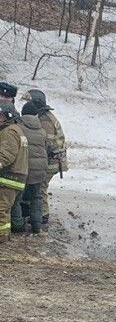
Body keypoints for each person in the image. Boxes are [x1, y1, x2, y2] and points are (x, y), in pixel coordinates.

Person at [22, 88, 67, 226]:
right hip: (52, 160)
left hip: (51, 161)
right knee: (40, 187)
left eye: (29, 102)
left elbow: (44, 145)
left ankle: (42, 215)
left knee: (40, 188)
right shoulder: (44, 116)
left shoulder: (44, 120)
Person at [12, 102, 49, 234]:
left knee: (16, 199)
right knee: (36, 197)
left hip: (24, 169)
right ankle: (36, 226)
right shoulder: (42, 130)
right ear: (36, 114)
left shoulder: (17, 128)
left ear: (22, 113)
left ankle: (17, 226)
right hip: (39, 171)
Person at [0, 102, 28, 242]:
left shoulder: (10, 132)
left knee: (1, 209)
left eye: (0, 116)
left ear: (8, 116)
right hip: (15, 178)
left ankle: (2, 237)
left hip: (8, 178)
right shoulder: (16, 129)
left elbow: (6, 156)